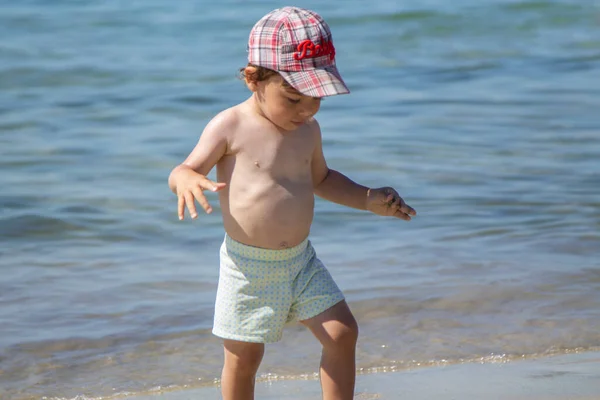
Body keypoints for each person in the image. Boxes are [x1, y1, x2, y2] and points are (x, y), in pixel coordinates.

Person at [168, 6, 416, 400]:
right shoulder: (229, 125)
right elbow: (185, 167)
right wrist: (185, 179)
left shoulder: (308, 130)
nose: (307, 110)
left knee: (342, 332)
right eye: (294, 98)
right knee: (244, 357)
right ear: (254, 79)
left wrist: (368, 198)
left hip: (301, 261)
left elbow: (321, 179)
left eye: (316, 97)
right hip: (248, 268)